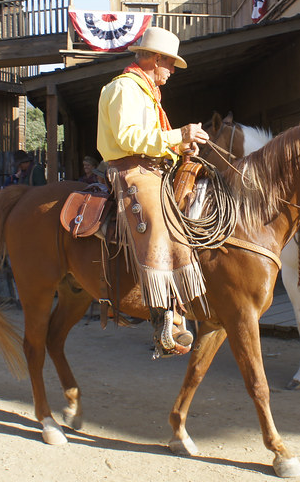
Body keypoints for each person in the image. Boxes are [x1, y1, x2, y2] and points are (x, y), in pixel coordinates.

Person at [96, 26, 209, 356]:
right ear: (156, 59)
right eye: (171, 64)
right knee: (159, 225)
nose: (172, 71)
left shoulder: (145, 93)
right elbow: (129, 139)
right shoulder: (123, 89)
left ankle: (180, 303)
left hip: (154, 169)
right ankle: (162, 318)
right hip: (132, 171)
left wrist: (182, 148)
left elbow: (154, 140)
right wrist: (179, 134)